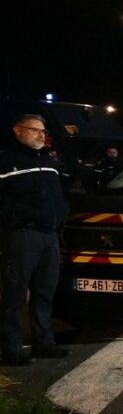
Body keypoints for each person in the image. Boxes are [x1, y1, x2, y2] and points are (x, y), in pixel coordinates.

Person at [0, 114, 71, 365]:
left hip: (49, 236)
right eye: (35, 130)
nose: (42, 135)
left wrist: (61, 216)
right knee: (15, 294)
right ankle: (11, 348)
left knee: (45, 291)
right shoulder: (6, 160)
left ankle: (44, 342)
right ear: (18, 131)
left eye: (43, 131)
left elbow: (59, 195)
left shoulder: (49, 162)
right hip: (22, 235)